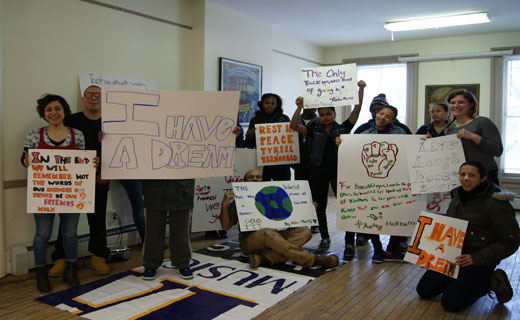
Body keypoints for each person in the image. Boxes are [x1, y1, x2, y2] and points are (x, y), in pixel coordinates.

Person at [416, 161, 520, 311]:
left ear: (482, 178)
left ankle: (489, 281)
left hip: (479, 259)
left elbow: (512, 241)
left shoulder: (497, 204)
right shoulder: (457, 196)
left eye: (471, 175)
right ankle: (460, 282)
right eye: (462, 174)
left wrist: (476, 258)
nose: (465, 178)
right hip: (455, 256)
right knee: (424, 291)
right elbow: (448, 228)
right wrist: (431, 254)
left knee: (451, 303)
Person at [290, 80, 366, 252]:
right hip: (317, 171)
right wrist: (299, 108)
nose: (325, 117)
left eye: (328, 114)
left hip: (340, 171)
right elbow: (293, 126)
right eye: (322, 114)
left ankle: (349, 241)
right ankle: (325, 237)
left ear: (334, 114)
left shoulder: (344, 127)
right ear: (319, 115)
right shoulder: (313, 128)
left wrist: (360, 89)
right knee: (320, 205)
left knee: (347, 204)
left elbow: (357, 108)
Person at [21, 94, 86, 292]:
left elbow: (83, 164)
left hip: (71, 194)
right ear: (43, 113)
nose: (53, 113)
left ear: (64, 110)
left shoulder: (77, 135)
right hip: (43, 193)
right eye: (48, 109)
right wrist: (25, 161)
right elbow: (24, 160)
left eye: (57, 108)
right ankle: (40, 272)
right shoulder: (33, 135)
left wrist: (93, 163)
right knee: (42, 234)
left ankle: (71, 269)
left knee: (70, 233)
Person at [219, 169, 339, 269]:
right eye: (250, 177)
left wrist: (306, 208)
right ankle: (311, 259)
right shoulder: (240, 200)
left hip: (276, 234)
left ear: (262, 179)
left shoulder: (274, 195)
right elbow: (225, 226)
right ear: (244, 181)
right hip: (251, 241)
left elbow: (294, 214)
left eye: (258, 177)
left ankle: (264, 258)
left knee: (304, 232)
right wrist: (224, 204)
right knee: (268, 233)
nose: (255, 179)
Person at [51, 85, 111, 276]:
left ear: (103, 99)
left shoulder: (112, 122)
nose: (94, 98)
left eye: (98, 95)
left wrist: (105, 172)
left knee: (98, 219)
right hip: (72, 181)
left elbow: (120, 150)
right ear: (83, 99)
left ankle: (99, 256)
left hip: (100, 178)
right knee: (67, 222)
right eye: (90, 95)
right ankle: (60, 258)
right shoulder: (70, 120)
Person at [350, 105, 407, 263]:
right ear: (376, 113)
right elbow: (351, 149)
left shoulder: (400, 132)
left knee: (395, 212)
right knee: (371, 214)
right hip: (368, 182)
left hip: (394, 181)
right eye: (381, 113)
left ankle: (391, 248)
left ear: (393, 120)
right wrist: (342, 142)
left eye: (388, 116)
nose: (383, 117)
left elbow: (410, 149)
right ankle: (377, 249)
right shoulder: (364, 131)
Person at [141, 179, 195, 281]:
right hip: (154, 189)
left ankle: (182, 263)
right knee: (153, 230)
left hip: (182, 189)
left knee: (181, 231)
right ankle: (151, 264)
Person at [445, 89, 503, 185]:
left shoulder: (482, 122)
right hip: (460, 179)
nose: (456, 106)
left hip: (484, 177)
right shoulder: (449, 130)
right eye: (452, 103)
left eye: (461, 102)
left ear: (471, 105)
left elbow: (498, 150)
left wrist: (473, 137)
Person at [245, 93, 291, 181]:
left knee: (282, 189)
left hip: (281, 163)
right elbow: (250, 146)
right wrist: (250, 136)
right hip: (263, 163)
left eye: (273, 103)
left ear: (277, 105)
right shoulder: (255, 120)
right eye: (267, 103)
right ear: (262, 104)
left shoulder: (284, 119)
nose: (269, 105)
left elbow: (289, 140)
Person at [291, 107, 319, 233]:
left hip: (316, 164)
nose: (312, 108)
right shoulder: (297, 120)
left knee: (315, 193)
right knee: (300, 193)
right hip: (299, 163)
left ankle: (315, 221)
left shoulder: (319, 121)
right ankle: (300, 221)